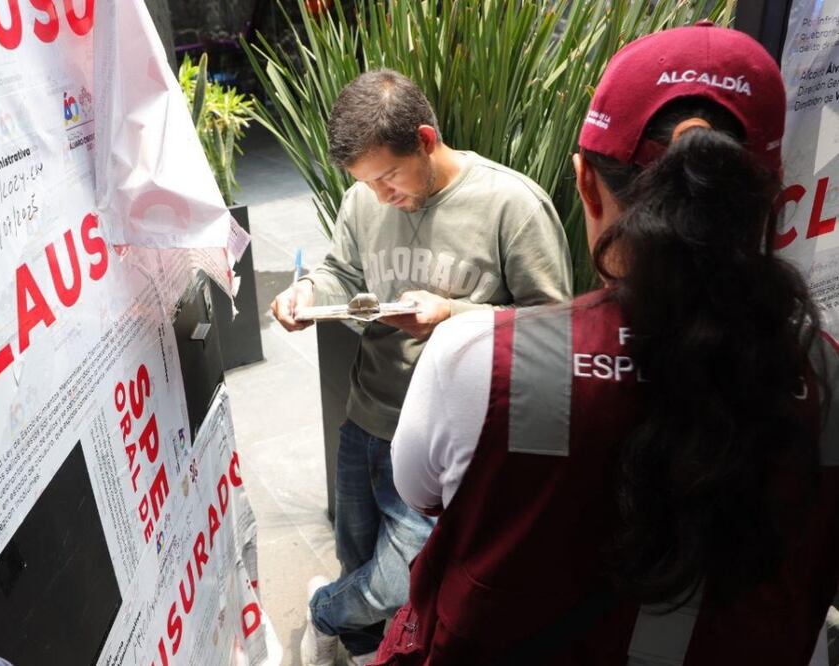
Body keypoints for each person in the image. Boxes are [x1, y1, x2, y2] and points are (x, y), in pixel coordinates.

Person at [376, 22, 839, 666]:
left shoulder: (475, 358)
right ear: (771, 199)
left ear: (585, 182)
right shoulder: (824, 375)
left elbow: (422, 494)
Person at [270, 69, 572, 666]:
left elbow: (555, 329)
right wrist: (310, 290)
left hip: (452, 434)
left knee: (408, 574)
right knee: (357, 555)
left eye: (388, 177)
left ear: (427, 139)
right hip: (367, 414)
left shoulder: (512, 204)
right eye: (366, 183)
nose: (381, 196)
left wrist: (454, 316)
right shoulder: (363, 199)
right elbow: (345, 274)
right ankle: (357, 648)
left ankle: (325, 612)